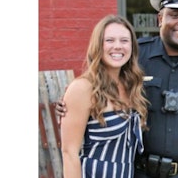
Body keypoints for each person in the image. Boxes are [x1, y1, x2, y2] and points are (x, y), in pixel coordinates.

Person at [57, 0, 178, 178]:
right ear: (160, 19)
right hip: (141, 172)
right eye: (174, 15)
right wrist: (68, 104)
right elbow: (98, 81)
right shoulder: (134, 55)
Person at [60, 14, 149, 178]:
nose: (117, 46)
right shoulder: (84, 88)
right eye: (109, 40)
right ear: (98, 45)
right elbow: (69, 153)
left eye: (124, 41)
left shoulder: (131, 86)